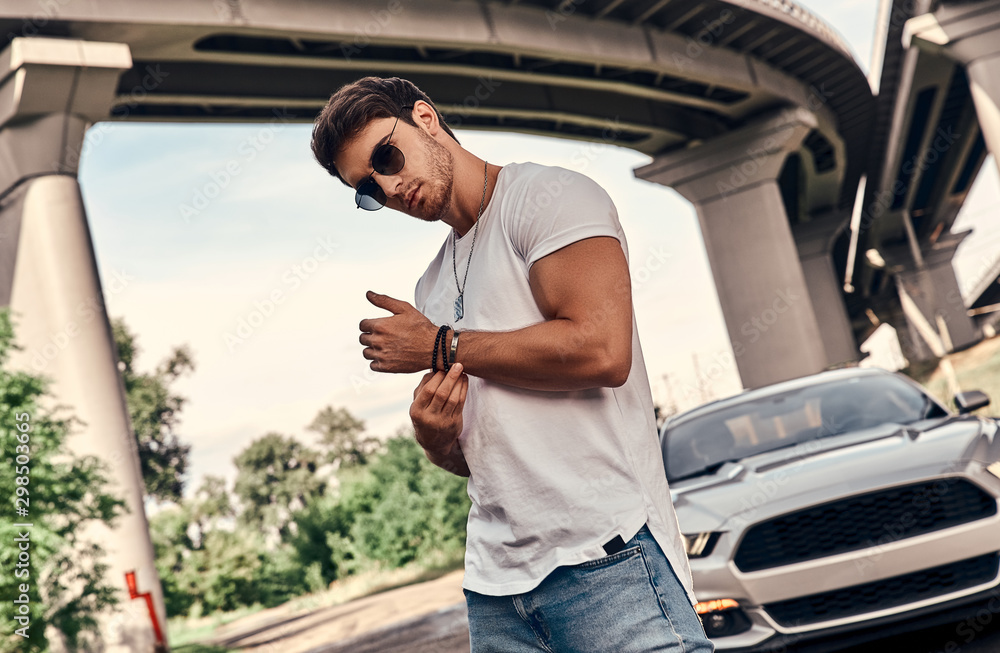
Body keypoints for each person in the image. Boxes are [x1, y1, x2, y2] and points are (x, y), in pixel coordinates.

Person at [311, 76, 714, 653]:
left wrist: (440, 346)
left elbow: (602, 350)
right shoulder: (430, 286)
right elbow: (483, 458)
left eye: (386, 156)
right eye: (369, 188)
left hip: (607, 556)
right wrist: (434, 436)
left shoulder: (548, 198)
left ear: (425, 118)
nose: (391, 186)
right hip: (497, 591)